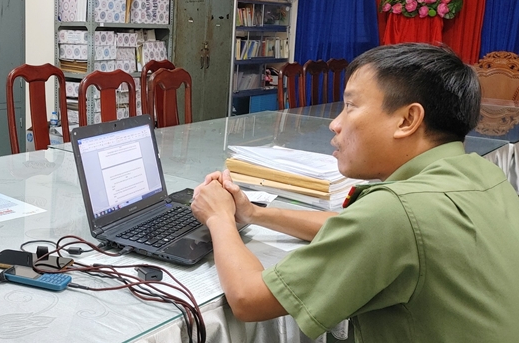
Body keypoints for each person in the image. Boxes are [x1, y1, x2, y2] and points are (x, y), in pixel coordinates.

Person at [192, 43, 519, 341]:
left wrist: (219, 217)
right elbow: (352, 227)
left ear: (407, 120)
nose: (335, 124)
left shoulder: (396, 212)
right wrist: (253, 214)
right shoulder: (482, 173)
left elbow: (249, 299)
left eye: (350, 106)